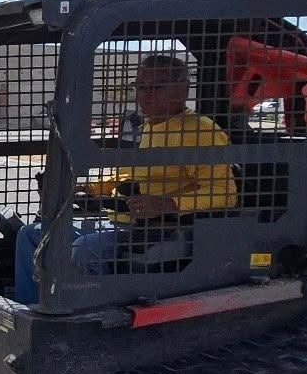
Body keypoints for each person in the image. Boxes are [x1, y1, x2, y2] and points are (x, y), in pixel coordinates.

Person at [13, 53, 238, 303]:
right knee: (31, 235)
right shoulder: (150, 126)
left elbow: (225, 194)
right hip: (123, 220)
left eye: (156, 87)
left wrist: (166, 204)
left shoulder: (199, 131)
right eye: (141, 87)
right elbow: (133, 175)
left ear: (183, 89)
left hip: (162, 230)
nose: (145, 94)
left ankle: (88, 317)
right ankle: (31, 310)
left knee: (86, 250)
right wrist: (87, 187)